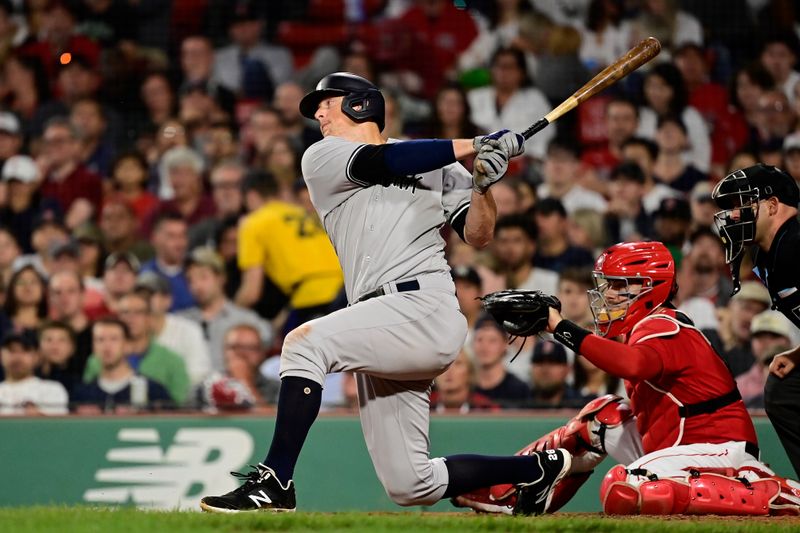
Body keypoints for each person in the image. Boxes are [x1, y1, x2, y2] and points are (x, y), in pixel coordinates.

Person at [200, 72, 571, 515]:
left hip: (424, 305)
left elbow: (478, 235)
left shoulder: (441, 164)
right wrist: (477, 143)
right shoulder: (321, 156)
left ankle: (275, 480)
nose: (318, 113)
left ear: (360, 104)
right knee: (410, 483)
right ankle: (532, 470)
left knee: (304, 344)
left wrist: (482, 186)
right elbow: (380, 162)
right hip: (380, 319)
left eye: (326, 103)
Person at [457, 241, 800, 516]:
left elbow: (633, 365)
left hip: (720, 451)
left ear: (650, 288)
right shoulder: (644, 326)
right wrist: (554, 330)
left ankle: (771, 492)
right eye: (608, 285)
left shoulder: (664, 323)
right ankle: (509, 489)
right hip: (677, 447)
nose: (608, 294)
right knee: (600, 418)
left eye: (619, 286)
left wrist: (560, 327)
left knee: (628, 486)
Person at [712, 164, 800, 477]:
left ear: (773, 206)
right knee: (784, 389)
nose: (734, 215)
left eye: (742, 204)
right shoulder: (769, 254)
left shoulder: (795, 245)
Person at [236, 170, 344, 329]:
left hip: (313, 300)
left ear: (251, 195)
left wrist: (230, 312)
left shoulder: (253, 222)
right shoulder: (305, 213)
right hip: (346, 291)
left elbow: (251, 292)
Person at [73, 317, 172, 413]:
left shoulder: (152, 391)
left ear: (127, 345)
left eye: (114, 339)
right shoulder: (82, 395)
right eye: (100, 340)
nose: (107, 346)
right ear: (93, 346)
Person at [0, 331, 68, 415]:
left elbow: (59, 426)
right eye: (12, 351)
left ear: (36, 356)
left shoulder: (52, 389)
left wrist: (38, 415)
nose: (17, 357)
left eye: (25, 350)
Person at [472, 315, 530, 405]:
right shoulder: (465, 389)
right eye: (480, 340)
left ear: (505, 344)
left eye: (492, 340)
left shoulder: (519, 390)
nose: (484, 347)